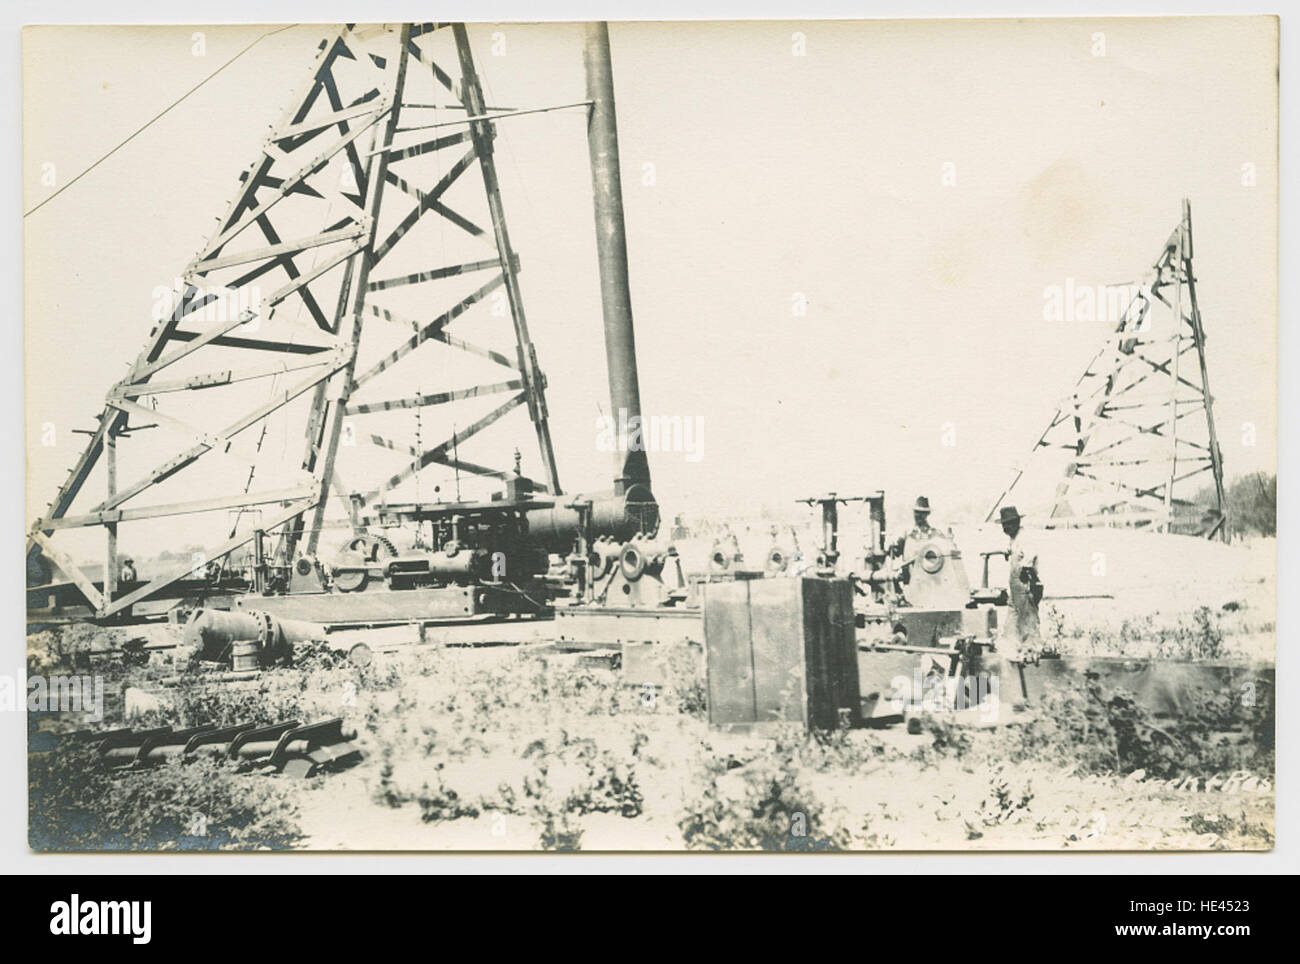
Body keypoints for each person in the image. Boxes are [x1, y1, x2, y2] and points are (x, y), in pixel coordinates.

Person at [998, 506, 1042, 659]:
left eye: (1008, 524)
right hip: (1015, 587)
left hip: (1025, 583)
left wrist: (1025, 569)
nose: (1005, 528)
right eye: (1004, 525)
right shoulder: (1013, 538)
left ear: (1016, 522)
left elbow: (1030, 556)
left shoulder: (1025, 537)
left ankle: (1032, 653)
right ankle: (1011, 651)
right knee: (1011, 620)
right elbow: (1013, 550)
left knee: (1027, 619)